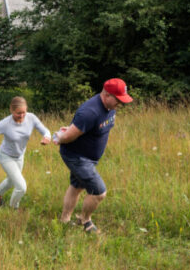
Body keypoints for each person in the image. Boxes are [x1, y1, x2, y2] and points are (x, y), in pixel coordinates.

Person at [56, 78, 133, 234]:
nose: (120, 104)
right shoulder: (90, 111)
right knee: (98, 192)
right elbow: (68, 136)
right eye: (118, 100)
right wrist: (60, 137)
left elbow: (91, 128)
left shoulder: (110, 106)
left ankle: (64, 220)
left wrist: (73, 129)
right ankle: (85, 220)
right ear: (107, 95)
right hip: (77, 156)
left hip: (88, 157)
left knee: (77, 186)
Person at [0, 96, 52, 209]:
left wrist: (47, 136)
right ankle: (13, 208)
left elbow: (45, 130)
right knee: (21, 187)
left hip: (19, 156)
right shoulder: (5, 123)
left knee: (11, 181)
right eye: (18, 113)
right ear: (11, 110)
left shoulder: (31, 118)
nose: (22, 115)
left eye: (24, 112)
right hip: (6, 156)